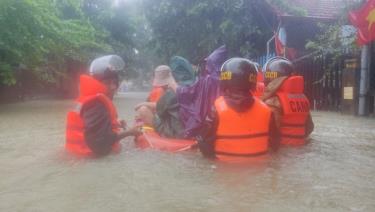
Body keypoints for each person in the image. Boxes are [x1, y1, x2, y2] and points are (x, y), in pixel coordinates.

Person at [197, 58, 280, 161]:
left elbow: (204, 142)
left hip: (223, 170)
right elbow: (275, 144)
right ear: (253, 81)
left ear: (224, 80)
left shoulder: (216, 110)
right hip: (258, 170)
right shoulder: (266, 110)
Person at [65, 55, 140, 156]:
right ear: (96, 82)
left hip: (76, 156)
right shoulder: (96, 103)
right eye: (107, 83)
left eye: (115, 82)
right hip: (88, 160)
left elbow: (91, 127)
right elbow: (99, 144)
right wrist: (129, 132)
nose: (113, 87)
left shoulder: (89, 99)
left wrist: (113, 123)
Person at [135, 56, 195, 139]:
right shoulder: (197, 87)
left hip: (176, 132)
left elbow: (159, 112)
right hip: (192, 129)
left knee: (143, 109)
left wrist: (143, 104)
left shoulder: (170, 93)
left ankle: (160, 134)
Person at [176, 45, 228, 139]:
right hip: (219, 116)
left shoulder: (207, 79)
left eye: (208, 63)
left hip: (205, 117)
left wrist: (177, 88)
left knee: (185, 111)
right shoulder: (227, 78)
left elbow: (190, 92)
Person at [261, 57, 314, 145]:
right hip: (300, 149)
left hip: (283, 151)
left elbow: (272, 135)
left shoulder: (273, 102)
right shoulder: (303, 98)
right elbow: (309, 128)